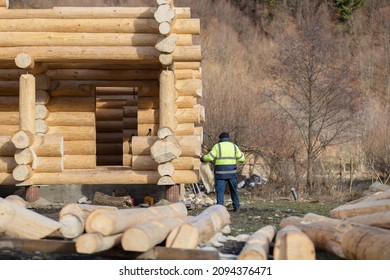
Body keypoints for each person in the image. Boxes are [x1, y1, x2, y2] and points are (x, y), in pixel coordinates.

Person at [200, 132, 245, 211]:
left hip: (220, 174)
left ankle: (220, 208)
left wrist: (203, 158)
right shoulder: (234, 147)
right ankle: (236, 207)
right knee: (233, 190)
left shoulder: (217, 146)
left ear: (220, 139)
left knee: (220, 191)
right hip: (232, 173)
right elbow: (241, 159)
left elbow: (210, 157)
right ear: (228, 139)